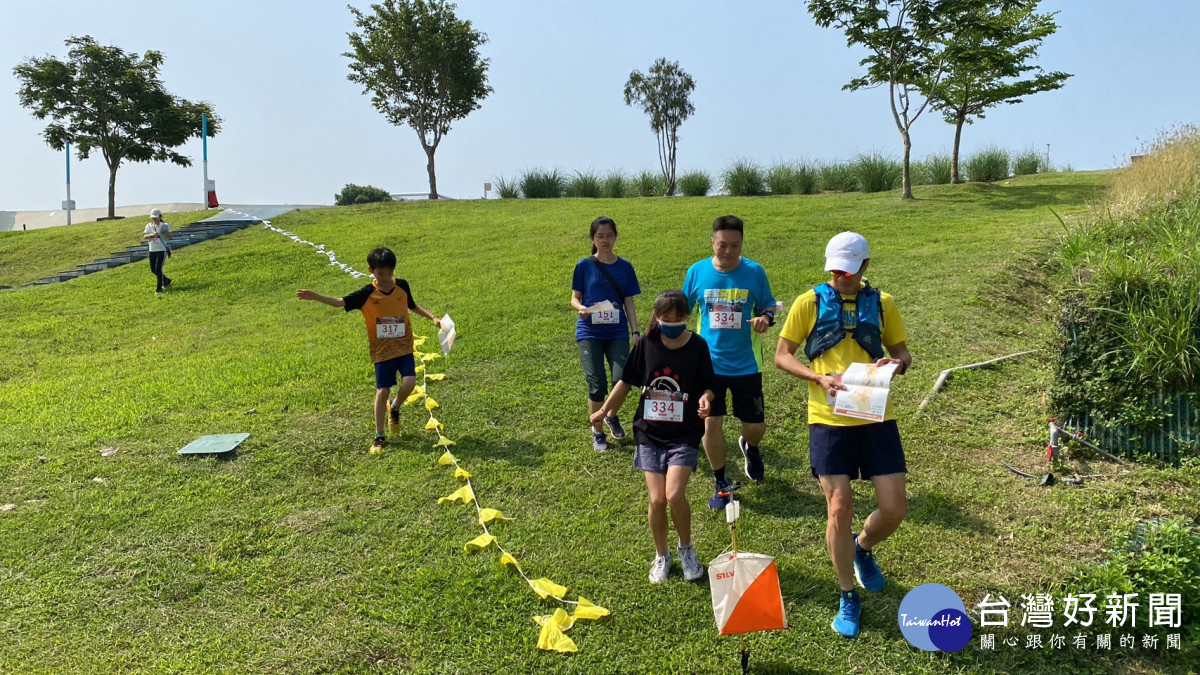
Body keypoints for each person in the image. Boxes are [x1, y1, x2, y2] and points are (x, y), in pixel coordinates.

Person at [774, 231, 912, 639]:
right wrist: (818, 377)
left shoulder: (883, 303)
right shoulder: (809, 302)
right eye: (835, 269)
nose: (841, 276)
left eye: (849, 271)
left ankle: (862, 548)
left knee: (894, 510)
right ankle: (847, 594)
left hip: (876, 417)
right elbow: (783, 354)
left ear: (865, 266)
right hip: (828, 418)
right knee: (839, 507)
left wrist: (896, 363)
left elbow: (904, 354)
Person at [591, 290, 714, 583]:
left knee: (674, 494)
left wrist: (706, 399)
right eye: (665, 319)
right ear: (657, 318)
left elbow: (710, 385)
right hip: (649, 433)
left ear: (687, 317)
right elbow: (626, 382)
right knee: (657, 500)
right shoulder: (647, 344)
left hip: (684, 434)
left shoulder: (697, 345)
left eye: (678, 319)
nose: (672, 324)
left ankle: (686, 549)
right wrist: (605, 410)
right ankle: (662, 555)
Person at [297, 247, 443, 454]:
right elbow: (340, 302)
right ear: (371, 270)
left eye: (389, 273)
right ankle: (379, 434)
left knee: (410, 383)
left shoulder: (401, 285)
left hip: (403, 346)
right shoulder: (366, 294)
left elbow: (413, 306)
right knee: (382, 391)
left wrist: (433, 317)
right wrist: (315, 296)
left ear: (394, 270)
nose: (385, 278)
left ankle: (395, 407)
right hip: (382, 351)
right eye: (380, 274)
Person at [682, 215, 777, 507]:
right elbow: (682, 311)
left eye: (735, 245)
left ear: (741, 244)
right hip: (708, 365)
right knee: (711, 424)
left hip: (747, 364)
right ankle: (720, 479)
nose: (728, 251)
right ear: (712, 242)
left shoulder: (754, 272)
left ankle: (750, 446)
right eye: (722, 245)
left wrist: (765, 318)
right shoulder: (697, 272)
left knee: (755, 426)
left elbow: (769, 306)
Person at [570, 216, 641, 452]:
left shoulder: (625, 266)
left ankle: (610, 414)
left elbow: (628, 301)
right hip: (589, 331)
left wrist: (635, 331)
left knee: (624, 379)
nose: (605, 240)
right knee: (596, 384)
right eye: (600, 236)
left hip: (617, 331)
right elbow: (574, 297)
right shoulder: (584, 265)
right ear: (592, 238)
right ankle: (598, 430)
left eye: (609, 235)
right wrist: (580, 308)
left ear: (616, 237)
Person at [142, 209, 173, 294]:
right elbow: (145, 236)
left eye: (156, 218)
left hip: (161, 249)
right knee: (153, 269)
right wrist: (151, 235)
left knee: (158, 269)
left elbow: (170, 236)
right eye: (153, 218)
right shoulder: (149, 226)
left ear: (160, 217)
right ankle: (166, 281)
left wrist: (165, 231)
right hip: (152, 249)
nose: (154, 220)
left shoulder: (165, 225)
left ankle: (159, 288)